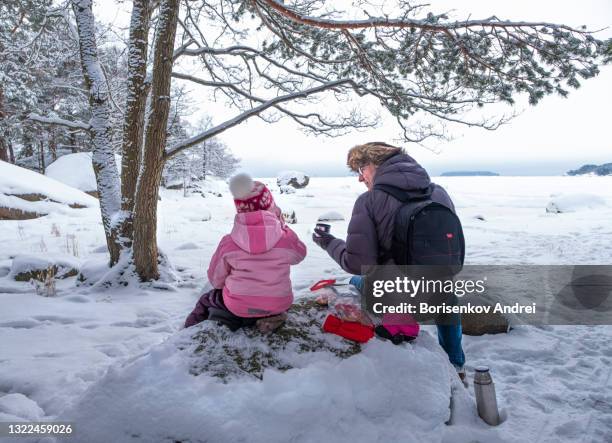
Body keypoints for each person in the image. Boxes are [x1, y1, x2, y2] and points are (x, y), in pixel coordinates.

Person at [311, 142, 466, 381]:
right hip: (438, 296)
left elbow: (357, 262)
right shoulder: (439, 193)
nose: (360, 179)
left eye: (361, 170)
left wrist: (328, 242)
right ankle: (456, 364)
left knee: (354, 279)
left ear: (373, 164)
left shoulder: (369, 201)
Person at [185, 173, 307, 333]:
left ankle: (188, 333)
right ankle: (270, 319)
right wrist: (283, 227)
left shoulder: (229, 243)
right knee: (267, 303)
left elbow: (216, 280)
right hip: (278, 303)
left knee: (207, 299)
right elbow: (300, 254)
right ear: (271, 207)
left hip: (238, 306)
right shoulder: (285, 239)